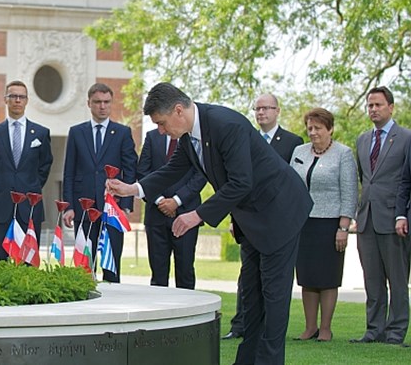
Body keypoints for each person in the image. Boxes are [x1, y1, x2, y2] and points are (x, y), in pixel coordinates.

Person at [107, 82, 312, 365]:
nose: (162, 131)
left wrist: (196, 215)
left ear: (178, 111)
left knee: (273, 299)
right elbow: (172, 170)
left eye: (162, 123)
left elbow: (241, 182)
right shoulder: (190, 137)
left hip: (280, 213)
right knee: (251, 297)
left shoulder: (226, 124)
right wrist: (134, 189)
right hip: (251, 221)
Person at [225, 93, 303, 340]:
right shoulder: (245, 139)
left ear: (277, 110)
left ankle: (270, 330)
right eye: (257, 109)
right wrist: (233, 218)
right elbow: (236, 181)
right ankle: (242, 325)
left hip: (278, 221)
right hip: (249, 221)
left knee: (274, 282)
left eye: (266, 108)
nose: (261, 113)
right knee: (247, 278)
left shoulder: (292, 142)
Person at [290, 108, 358, 342]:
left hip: (330, 224)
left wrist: (343, 227)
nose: (313, 132)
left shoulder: (343, 154)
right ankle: (310, 327)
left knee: (328, 277)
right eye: (310, 128)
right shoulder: (299, 152)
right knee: (307, 277)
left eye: (318, 128)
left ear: (330, 129)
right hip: (303, 222)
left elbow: (349, 193)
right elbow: (291, 185)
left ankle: (326, 328)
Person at [351, 86, 411, 346]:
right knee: (372, 280)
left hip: (393, 220)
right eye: (370, 105)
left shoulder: (406, 138)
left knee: (397, 281)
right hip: (366, 220)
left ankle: (396, 332)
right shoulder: (363, 140)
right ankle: (373, 329)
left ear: (391, 107)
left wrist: (402, 214)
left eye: (378, 105)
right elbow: (365, 180)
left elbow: (407, 181)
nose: (373, 109)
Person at [62, 83, 137, 282]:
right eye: (97, 102)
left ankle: (113, 309)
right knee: (84, 267)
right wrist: (68, 206)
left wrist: (126, 205)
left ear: (111, 103)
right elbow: (68, 171)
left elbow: (130, 170)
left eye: (106, 102)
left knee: (111, 268)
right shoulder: (77, 132)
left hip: (113, 210)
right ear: (89, 103)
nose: (102, 106)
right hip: (83, 208)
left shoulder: (122, 133)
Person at [0, 80, 53, 259]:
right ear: (5, 100)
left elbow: (45, 165)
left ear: (27, 101)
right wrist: (3, 185)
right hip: (1, 205)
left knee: (28, 260)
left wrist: (31, 185)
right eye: (13, 96)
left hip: (29, 204)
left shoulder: (40, 133)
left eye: (21, 97)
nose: (17, 100)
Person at [137, 128, 206, 289]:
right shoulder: (152, 137)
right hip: (156, 215)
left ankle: (188, 312)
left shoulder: (195, 138)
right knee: (158, 275)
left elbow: (201, 173)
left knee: (185, 271)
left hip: (187, 214)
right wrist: (160, 200)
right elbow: (142, 172)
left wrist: (176, 200)